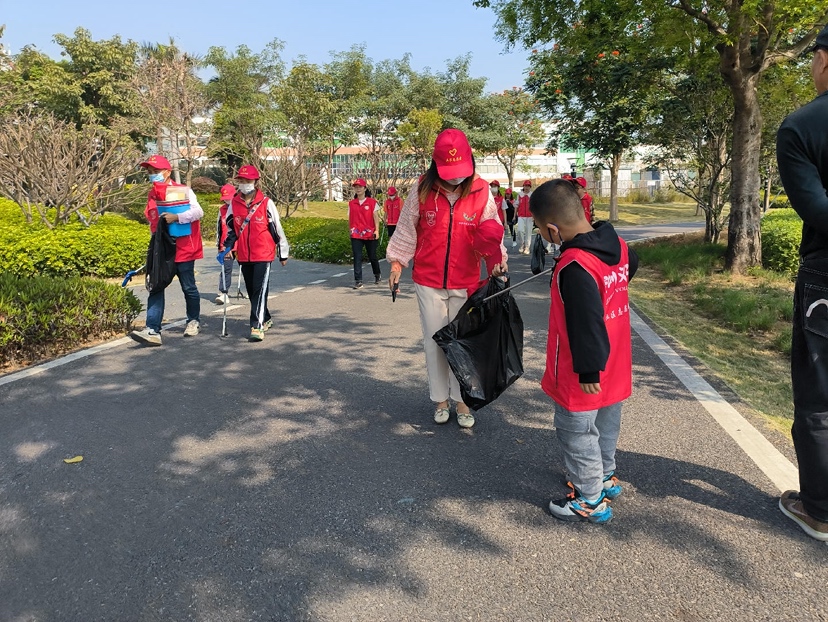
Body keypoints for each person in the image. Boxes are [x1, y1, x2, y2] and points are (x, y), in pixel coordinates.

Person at [529, 179, 638, 524]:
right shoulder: (617, 244)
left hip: (584, 369)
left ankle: (590, 497)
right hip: (616, 360)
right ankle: (604, 476)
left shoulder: (575, 265)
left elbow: (586, 321)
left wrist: (588, 368)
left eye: (539, 229)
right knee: (607, 423)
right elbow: (630, 265)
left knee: (577, 431)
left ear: (552, 229)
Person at [386, 128, 508, 429]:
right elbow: (406, 229)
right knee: (435, 342)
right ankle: (440, 400)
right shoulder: (422, 190)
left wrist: (497, 263)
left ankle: (463, 400)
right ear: (436, 164)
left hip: (466, 281)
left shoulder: (481, 192)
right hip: (428, 280)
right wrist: (397, 264)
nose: (456, 178)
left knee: (463, 343)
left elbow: (492, 232)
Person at [775, 24, 828, 542]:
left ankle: (819, 508)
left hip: (825, 279)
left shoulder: (802, 126)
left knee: (818, 394)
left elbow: (815, 208)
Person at [130, 154, 204, 346]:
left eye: (156, 171)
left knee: (188, 286)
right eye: (150, 172)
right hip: (162, 249)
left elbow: (198, 212)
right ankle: (152, 329)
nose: (152, 175)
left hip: (184, 248)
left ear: (167, 172)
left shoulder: (183, 190)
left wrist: (176, 218)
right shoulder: (152, 194)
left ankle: (193, 320)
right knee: (156, 285)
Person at [218, 165, 289, 342]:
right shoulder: (234, 204)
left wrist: (283, 252)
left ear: (256, 182)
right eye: (241, 181)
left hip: (263, 254)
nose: (244, 184)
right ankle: (266, 317)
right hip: (243, 254)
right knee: (252, 290)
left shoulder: (266, 203)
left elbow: (276, 229)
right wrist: (227, 248)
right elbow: (229, 227)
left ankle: (256, 326)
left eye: (248, 181)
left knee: (259, 288)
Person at [349, 178, 382, 289]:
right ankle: (358, 281)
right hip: (356, 234)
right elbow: (350, 218)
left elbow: (376, 217)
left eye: (360, 187)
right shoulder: (351, 203)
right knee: (357, 257)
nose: (358, 189)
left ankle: (377, 274)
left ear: (365, 188)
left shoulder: (372, 202)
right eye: (356, 187)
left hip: (369, 233)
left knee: (372, 256)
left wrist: (377, 230)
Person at [215, 183, 237, 305]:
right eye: (225, 199)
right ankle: (223, 293)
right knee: (226, 268)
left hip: (240, 244)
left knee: (248, 269)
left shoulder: (240, 207)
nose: (227, 201)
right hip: (226, 244)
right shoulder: (222, 210)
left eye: (229, 197)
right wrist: (220, 246)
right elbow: (219, 228)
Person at [517, 180, 533, 254]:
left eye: (528, 186)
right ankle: (522, 244)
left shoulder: (532, 195)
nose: (526, 188)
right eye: (525, 186)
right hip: (521, 215)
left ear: (530, 187)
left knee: (528, 232)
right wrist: (514, 215)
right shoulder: (519, 195)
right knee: (520, 230)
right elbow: (516, 205)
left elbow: (534, 206)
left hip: (530, 216)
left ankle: (527, 247)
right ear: (523, 186)